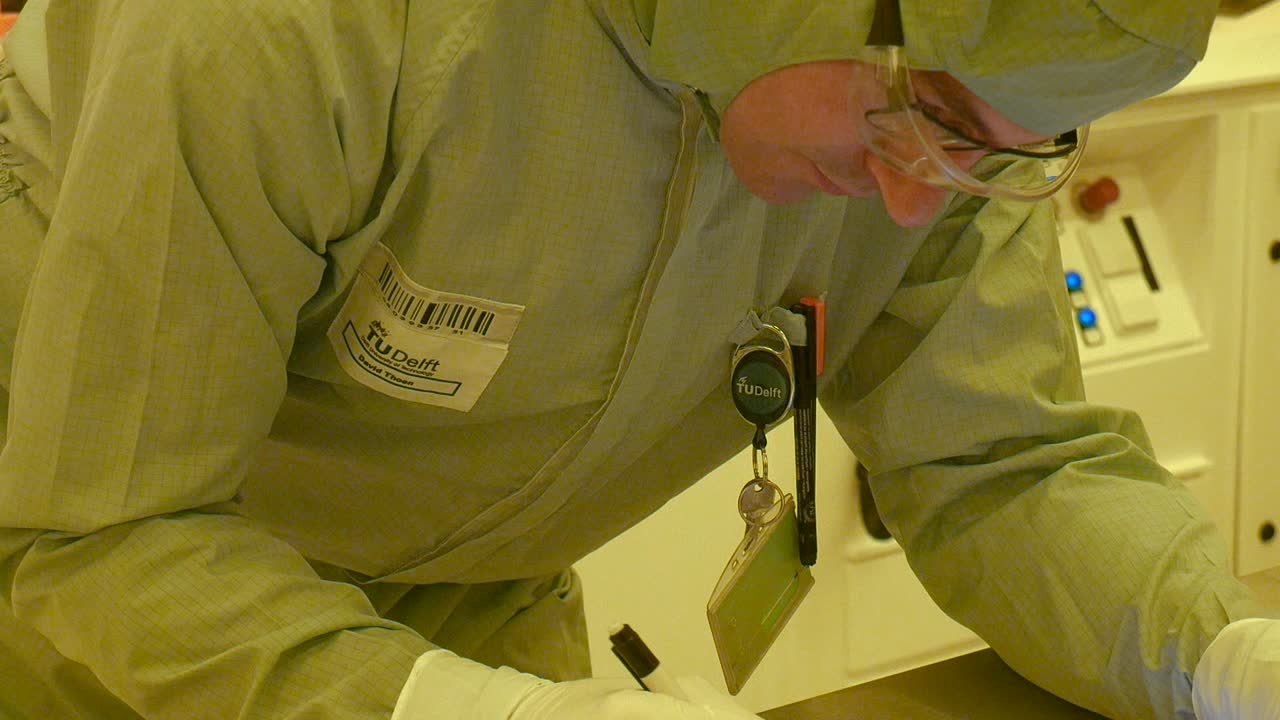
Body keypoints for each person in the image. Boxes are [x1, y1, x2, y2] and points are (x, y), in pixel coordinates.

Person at [0, 0, 1271, 718]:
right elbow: (108, 531)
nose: (911, 208)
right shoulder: (300, 32)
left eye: (1006, 152)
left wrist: (1214, 652)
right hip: (86, 619)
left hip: (464, 601)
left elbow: (1005, 466)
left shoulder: (946, 120)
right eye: (934, 125)